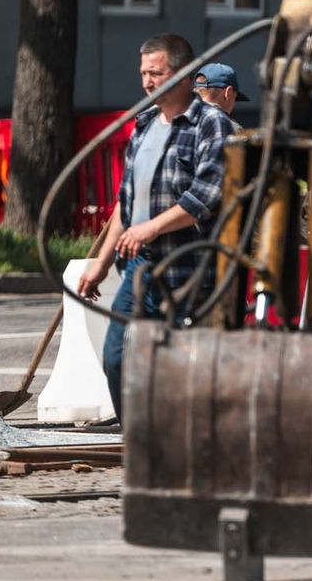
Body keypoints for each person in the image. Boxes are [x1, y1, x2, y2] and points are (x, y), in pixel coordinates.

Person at [78, 33, 236, 421]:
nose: (148, 81)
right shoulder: (145, 124)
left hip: (187, 269)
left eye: (156, 72)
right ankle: (138, 440)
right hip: (140, 268)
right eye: (144, 73)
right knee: (117, 358)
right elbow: (126, 204)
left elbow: (205, 197)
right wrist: (100, 260)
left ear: (184, 74)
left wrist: (151, 229)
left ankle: (178, 446)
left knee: (181, 367)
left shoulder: (211, 124)